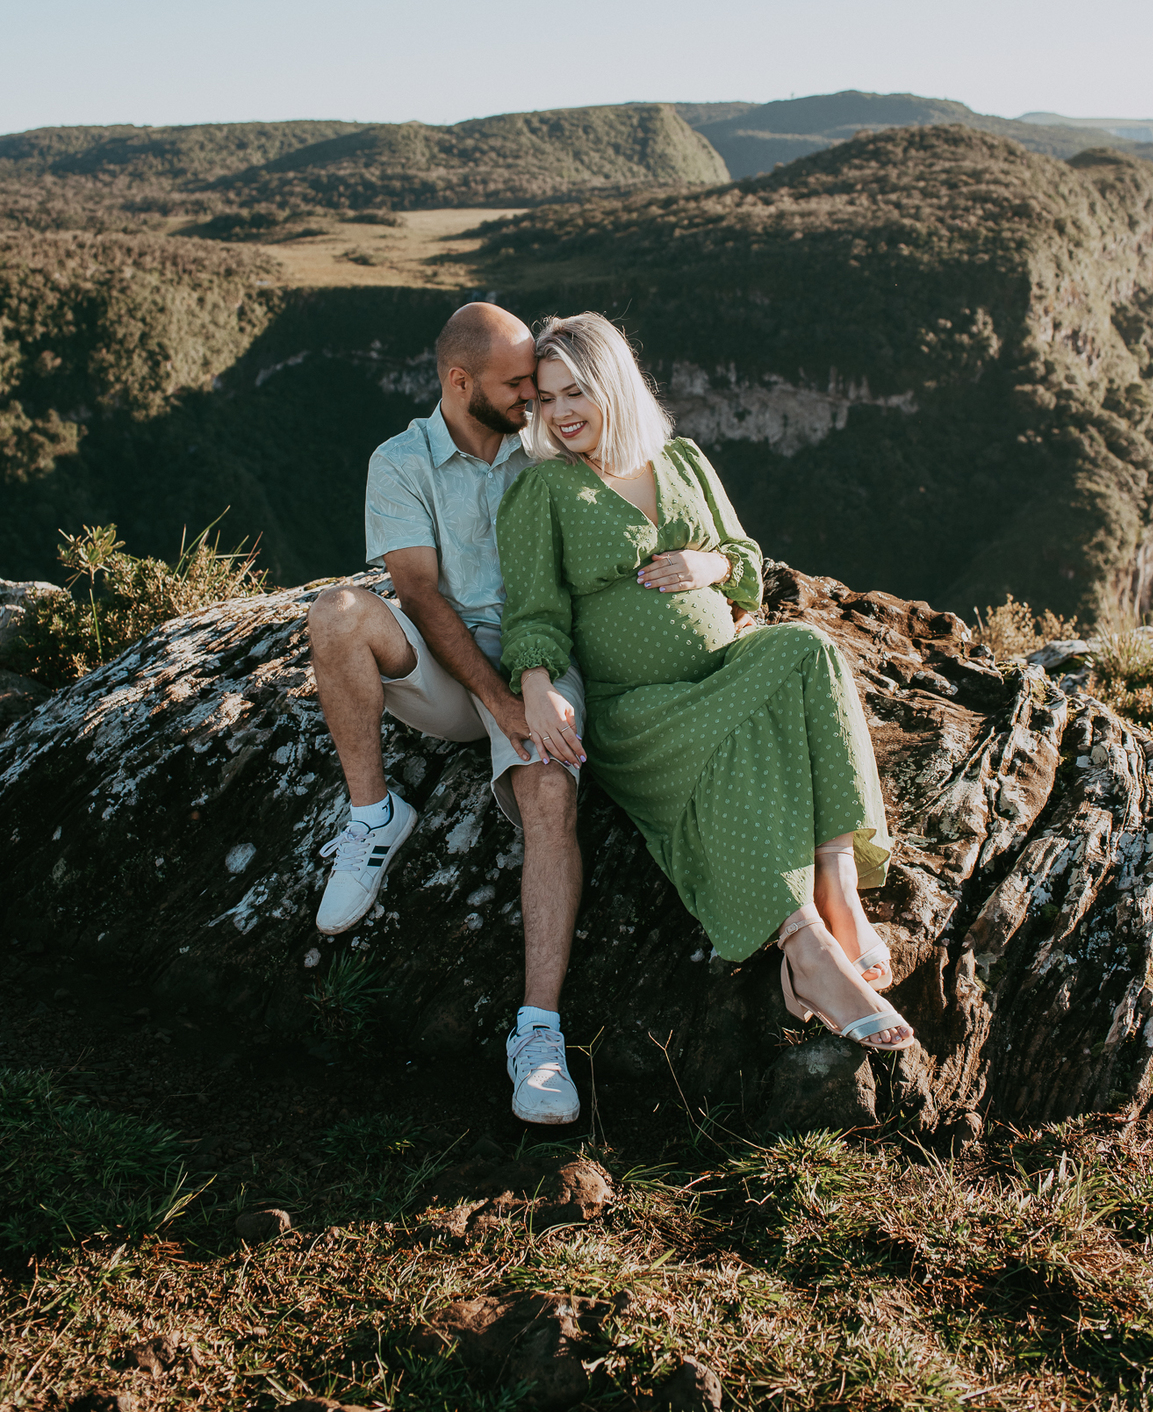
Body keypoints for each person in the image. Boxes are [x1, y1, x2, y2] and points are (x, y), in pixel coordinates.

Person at [495, 312, 915, 1050]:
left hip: (723, 669)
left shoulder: (681, 460)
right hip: (643, 711)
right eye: (545, 400)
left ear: (614, 387)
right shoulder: (544, 491)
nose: (560, 414)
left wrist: (709, 566)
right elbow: (534, 611)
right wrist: (534, 684)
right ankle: (807, 953)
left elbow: (746, 558)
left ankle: (838, 889)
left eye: (576, 393)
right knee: (735, 760)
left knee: (809, 647)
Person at [307, 303, 587, 1123]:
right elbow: (421, 595)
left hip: (542, 654)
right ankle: (373, 815)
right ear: (460, 383)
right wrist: (496, 703)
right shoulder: (400, 461)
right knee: (336, 612)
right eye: (516, 383)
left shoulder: (544, 448)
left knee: (550, 792)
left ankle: (537, 1035)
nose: (534, 395)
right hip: (448, 667)